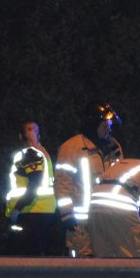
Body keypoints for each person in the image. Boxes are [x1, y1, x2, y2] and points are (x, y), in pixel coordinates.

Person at [55, 101, 123, 257]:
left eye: (110, 124)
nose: (109, 129)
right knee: (84, 267)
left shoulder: (114, 148)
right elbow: (62, 183)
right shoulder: (71, 148)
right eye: (105, 125)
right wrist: (67, 215)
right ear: (93, 124)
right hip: (81, 224)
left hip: (110, 220)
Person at [87, 144, 140, 258]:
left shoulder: (123, 164)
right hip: (121, 208)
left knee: (105, 262)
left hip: (94, 208)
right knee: (137, 262)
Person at [4, 121, 58, 255]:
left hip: (31, 210)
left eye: (33, 129)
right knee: (37, 252)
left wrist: (17, 208)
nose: (31, 132)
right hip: (45, 209)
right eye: (28, 129)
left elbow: (34, 185)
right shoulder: (43, 153)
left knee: (26, 254)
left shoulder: (30, 154)